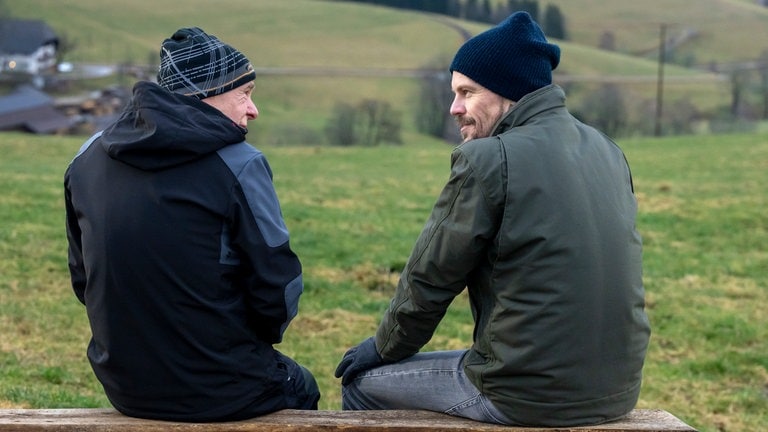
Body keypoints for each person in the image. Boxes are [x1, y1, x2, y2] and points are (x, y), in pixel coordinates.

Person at [335, 11, 650, 428]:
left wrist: (384, 347)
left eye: (467, 92)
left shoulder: (488, 159)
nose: (454, 108)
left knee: (361, 383)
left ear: (507, 90)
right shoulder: (608, 149)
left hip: (524, 395)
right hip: (617, 390)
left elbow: (431, 277)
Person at [64, 27, 320, 422]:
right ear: (206, 96)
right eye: (245, 94)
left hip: (124, 385)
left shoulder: (85, 159)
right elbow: (277, 288)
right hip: (221, 388)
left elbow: (83, 280)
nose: (253, 110)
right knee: (303, 388)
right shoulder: (240, 163)